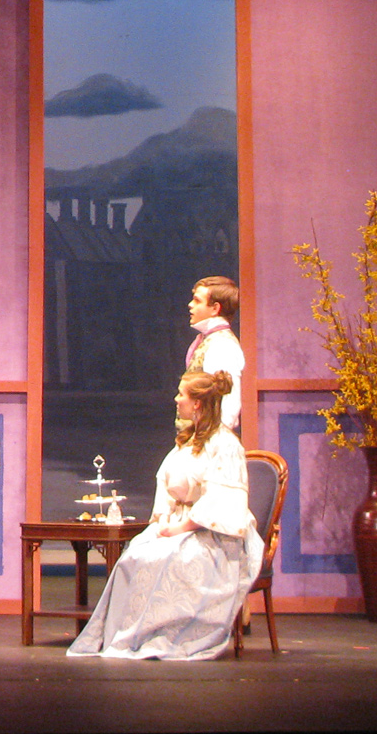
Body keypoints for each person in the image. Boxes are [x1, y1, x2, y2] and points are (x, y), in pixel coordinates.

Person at [68, 369, 263, 661]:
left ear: (197, 403)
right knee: (137, 554)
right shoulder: (187, 440)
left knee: (171, 558)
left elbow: (221, 500)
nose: (176, 399)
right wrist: (163, 520)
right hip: (180, 522)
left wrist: (181, 527)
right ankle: (130, 636)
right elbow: (166, 483)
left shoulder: (225, 445)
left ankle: (167, 635)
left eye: (182, 393)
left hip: (214, 533)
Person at [185, 275, 244, 432]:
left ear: (215, 308)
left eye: (197, 301)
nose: (190, 305)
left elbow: (228, 400)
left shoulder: (222, 345)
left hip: (209, 442)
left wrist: (216, 443)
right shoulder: (208, 339)